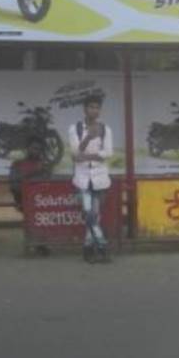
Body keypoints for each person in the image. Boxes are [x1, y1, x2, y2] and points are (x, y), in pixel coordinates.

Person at [70, 92, 114, 263]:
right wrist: (88, 138)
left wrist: (88, 156)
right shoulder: (75, 129)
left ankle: (88, 247)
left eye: (97, 107)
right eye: (91, 107)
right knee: (89, 214)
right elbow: (75, 153)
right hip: (82, 179)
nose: (94, 110)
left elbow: (108, 153)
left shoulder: (105, 129)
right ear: (84, 109)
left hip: (100, 179)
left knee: (94, 215)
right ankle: (102, 247)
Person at [8, 138, 51, 212]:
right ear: (27, 148)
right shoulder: (17, 164)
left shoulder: (44, 165)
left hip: (40, 201)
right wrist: (35, 172)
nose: (36, 151)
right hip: (23, 199)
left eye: (39, 149)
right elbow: (14, 184)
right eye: (34, 148)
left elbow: (47, 183)